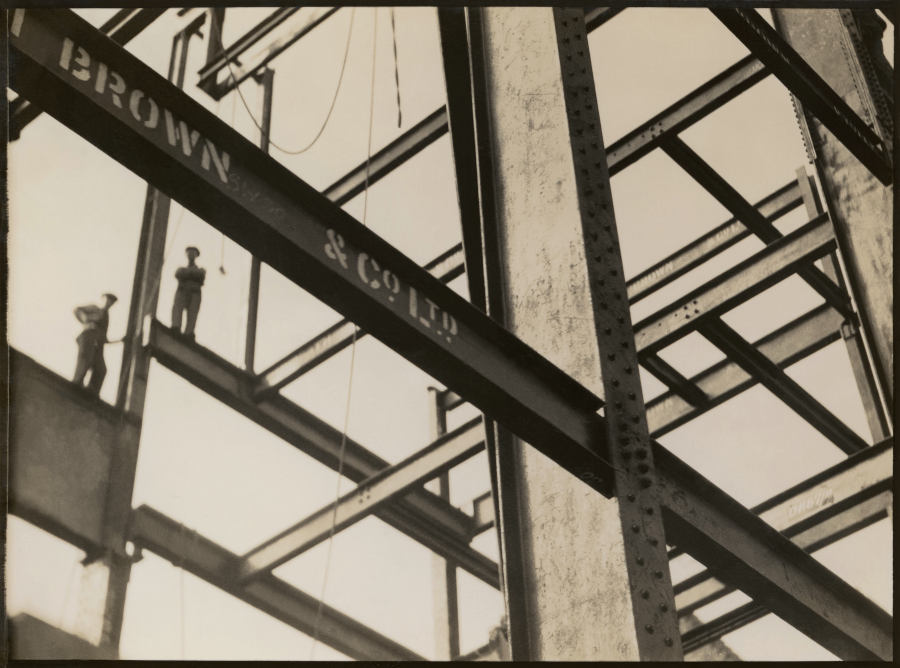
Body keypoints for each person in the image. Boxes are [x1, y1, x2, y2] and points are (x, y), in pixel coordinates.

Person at [73, 292, 120, 395]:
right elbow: (77, 310)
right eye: (107, 301)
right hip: (88, 337)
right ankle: (76, 385)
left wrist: (120, 340)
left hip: (98, 344)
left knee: (101, 369)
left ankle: (92, 392)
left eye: (111, 303)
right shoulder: (95, 308)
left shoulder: (106, 317)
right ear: (103, 299)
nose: (109, 304)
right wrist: (87, 319)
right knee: (85, 360)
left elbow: (104, 338)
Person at [171, 246, 206, 340]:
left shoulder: (200, 270)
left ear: (196, 255)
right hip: (182, 290)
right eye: (189, 253)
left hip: (194, 292)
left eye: (193, 253)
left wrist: (187, 274)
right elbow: (178, 274)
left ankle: (189, 332)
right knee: (178, 307)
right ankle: (176, 326)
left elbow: (200, 275)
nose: (191, 255)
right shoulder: (181, 269)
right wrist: (190, 274)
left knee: (193, 313)